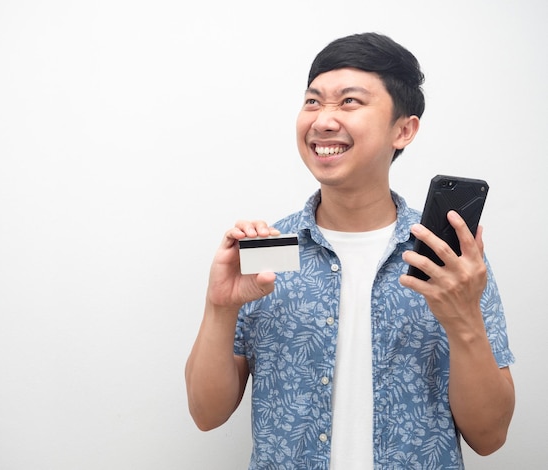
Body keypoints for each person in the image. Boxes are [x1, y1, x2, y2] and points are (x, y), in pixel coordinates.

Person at [185, 32, 515, 469]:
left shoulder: (448, 262)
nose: (323, 120)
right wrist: (219, 307)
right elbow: (206, 415)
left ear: (404, 129)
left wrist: (464, 321)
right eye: (313, 101)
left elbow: (489, 437)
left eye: (349, 102)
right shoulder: (268, 252)